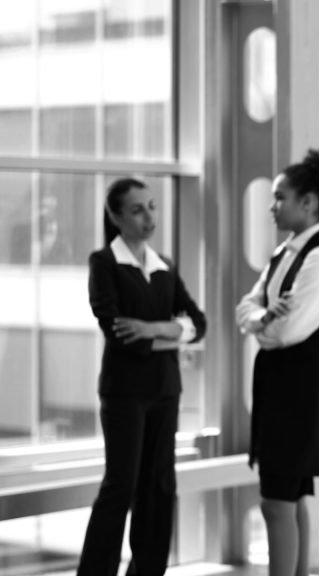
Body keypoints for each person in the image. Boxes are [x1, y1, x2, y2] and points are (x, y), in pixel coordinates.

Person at [235, 149, 319, 576]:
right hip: (282, 392)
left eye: (279, 197)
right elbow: (247, 308)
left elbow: (284, 333)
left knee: (277, 500)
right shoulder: (287, 251)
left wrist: (261, 325)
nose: (272, 206)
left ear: (307, 202)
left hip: (299, 398)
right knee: (293, 493)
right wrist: (260, 318)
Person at [79, 178, 207, 576]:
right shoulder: (103, 263)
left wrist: (153, 329)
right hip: (125, 395)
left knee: (159, 487)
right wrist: (173, 330)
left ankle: (148, 571)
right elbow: (119, 333)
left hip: (165, 391)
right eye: (137, 209)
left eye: (152, 206)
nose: (149, 216)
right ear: (116, 217)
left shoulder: (164, 264)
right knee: (121, 487)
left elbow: (199, 324)